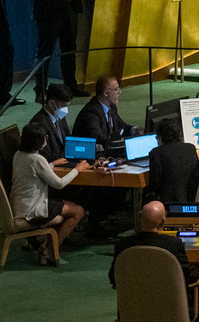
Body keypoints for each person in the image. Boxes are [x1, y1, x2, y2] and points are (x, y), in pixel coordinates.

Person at [111, 202, 199, 322]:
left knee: (148, 288)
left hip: (133, 313)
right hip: (172, 311)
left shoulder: (123, 245)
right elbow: (190, 276)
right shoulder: (173, 244)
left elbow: (113, 278)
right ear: (163, 221)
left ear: (141, 219)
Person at [11, 126, 83, 265]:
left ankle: (46, 247)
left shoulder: (18, 155)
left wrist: (51, 164)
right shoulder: (37, 159)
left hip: (22, 204)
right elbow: (60, 184)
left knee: (71, 206)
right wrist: (77, 170)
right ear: (38, 141)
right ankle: (50, 251)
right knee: (78, 211)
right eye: (45, 137)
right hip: (33, 209)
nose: (46, 139)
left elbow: (34, 172)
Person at [73, 74, 139, 153]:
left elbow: (121, 126)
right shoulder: (91, 112)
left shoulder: (112, 107)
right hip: (88, 156)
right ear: (106, 93)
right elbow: (98, 137)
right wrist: (120, 140)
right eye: (116, 89)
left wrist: (135, 129)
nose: (119, 92)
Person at [142, 118, 199, 206]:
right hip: (192, 203)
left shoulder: (156, 153)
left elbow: (154, 185)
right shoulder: (191, 148)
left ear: (160, 138)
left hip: (168, 206)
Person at [26, 83, 74, 163]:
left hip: (63, 159)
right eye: (63, 105)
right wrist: (69, 154)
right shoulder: (39, 123)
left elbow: (68, 139)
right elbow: (45, 155)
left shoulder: (59, 116)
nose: (66, 109)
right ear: (52, 103)